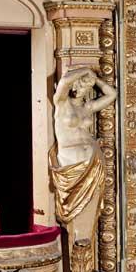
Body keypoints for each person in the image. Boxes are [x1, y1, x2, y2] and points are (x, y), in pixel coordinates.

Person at [49, 67, 116, 252]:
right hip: (71, 162)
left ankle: (84, 234)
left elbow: (112, 94)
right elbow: (64, 82)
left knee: (91, 201)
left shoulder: (87, 107)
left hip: (93, 160)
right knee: (76, 201)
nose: (82, 91)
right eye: (80, 86)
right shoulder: (62, 103)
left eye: (87, 88)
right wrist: (86, 70)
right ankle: (76, 234)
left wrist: (95, 79)